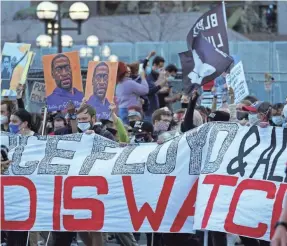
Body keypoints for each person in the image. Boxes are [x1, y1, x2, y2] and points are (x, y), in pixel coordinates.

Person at [145, 56, 169, 122]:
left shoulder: (155, 76)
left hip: (155, 110)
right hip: (149, 111)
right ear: (155, 65)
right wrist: (160, 86)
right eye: (160, 67)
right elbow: (149, 91)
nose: (162, 70)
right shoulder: (148, 76)